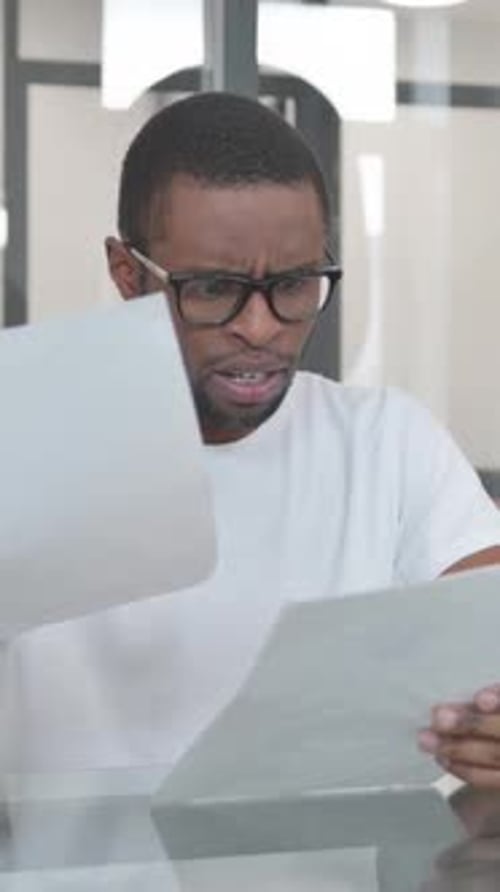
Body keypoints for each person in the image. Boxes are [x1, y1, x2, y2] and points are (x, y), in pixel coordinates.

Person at [7, 92, 500, 786]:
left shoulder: (387, 444)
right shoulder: (25, 451)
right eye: (214, 288)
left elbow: (489, 621)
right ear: (127, 275)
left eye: (294, 285)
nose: (262, 327)